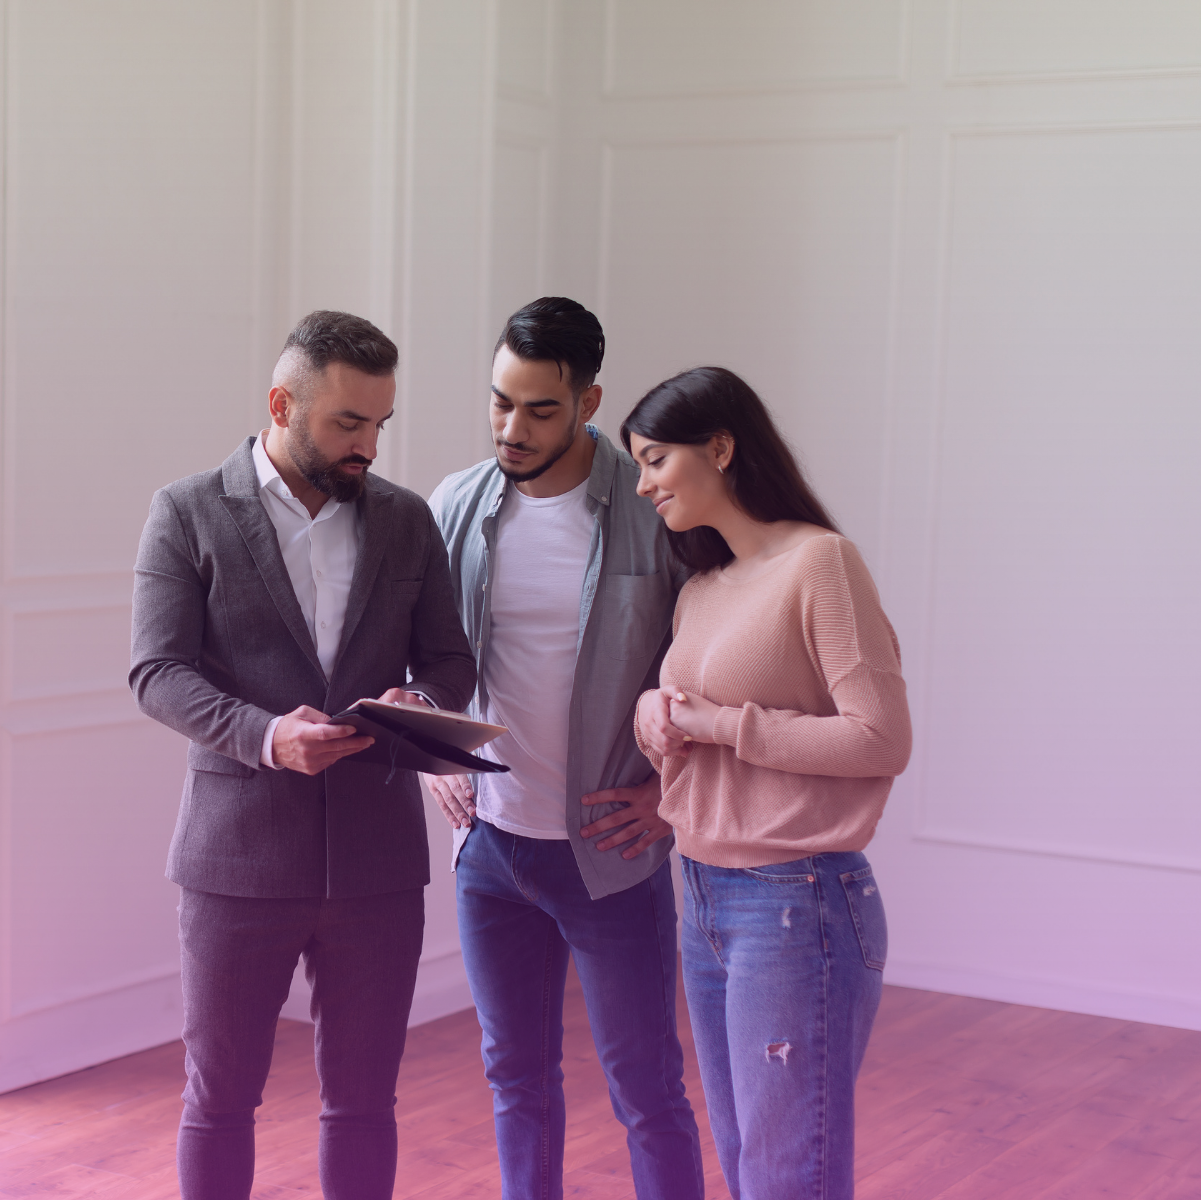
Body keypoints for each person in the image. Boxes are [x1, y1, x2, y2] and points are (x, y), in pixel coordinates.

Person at [130, 309, 477, 1200]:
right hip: (235, 857)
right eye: (347, 423)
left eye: (379, 424)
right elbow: (157, 672)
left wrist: (422, 704)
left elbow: (449, 660)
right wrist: (266, 737)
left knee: (365, 1101)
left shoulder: (404, 520)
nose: (367, 445)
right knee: (221, 1099)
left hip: (378, 865)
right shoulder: (187, 511)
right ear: (282, 403)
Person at [426, 296, 706, 1200]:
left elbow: (716, 668)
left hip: (610, 854)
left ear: (589, 403)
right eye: (500, 401)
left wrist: (670, 799)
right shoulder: (455, 506)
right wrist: (434, 752)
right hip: (492, 851)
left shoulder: (652, 509)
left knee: (647, 1091)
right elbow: (425, 656)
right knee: (516, 1081)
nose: (512, 427)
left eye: (540, 408)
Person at [624, 366, 911, 1200]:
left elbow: (880, 738)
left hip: (796, 900)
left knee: (790, 1176)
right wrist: (654, 712)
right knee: (751, 1163)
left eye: (655, 461)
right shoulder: (703, 586)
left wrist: (715, 724)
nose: (642, 484)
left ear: (719, 448)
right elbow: (693, 707)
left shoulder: (821, 564)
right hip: (704, 890)